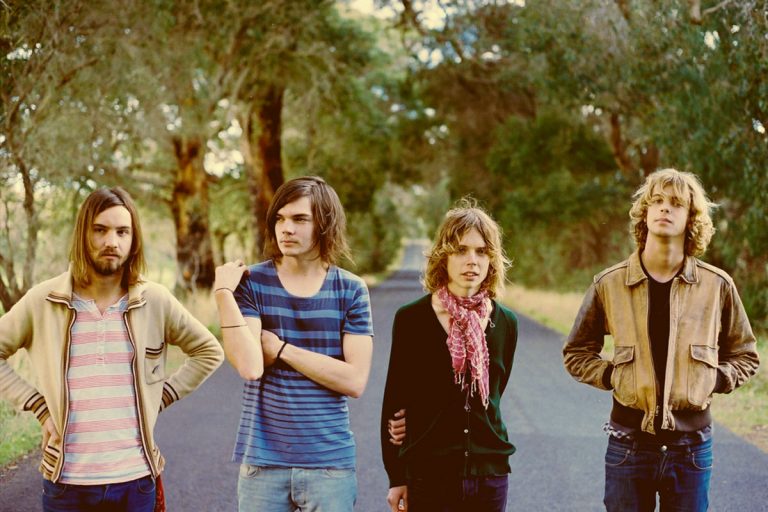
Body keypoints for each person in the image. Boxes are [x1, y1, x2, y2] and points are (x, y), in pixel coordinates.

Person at [0, 187, 225, 512]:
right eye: (100, 230)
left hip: (136, 483)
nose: (112, 241)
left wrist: (159, 397)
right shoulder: (45, 300)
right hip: (66, 484)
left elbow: (208, 351)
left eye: (122, 232)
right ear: (83, 234)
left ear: (134, 239)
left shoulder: (154, 300)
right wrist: (39, 408)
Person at [562, 168, 759, 511]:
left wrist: (713, 378)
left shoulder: (717, 286)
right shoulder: (610, 283)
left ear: (691, 218)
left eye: (676, 203)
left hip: (692, 448)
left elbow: (746, 355)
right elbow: (576, 351)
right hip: (628, 445)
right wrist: (612, 375)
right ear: (645, 212)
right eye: (657, 201)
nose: (665, 208)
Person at [214, 175, 374, 512]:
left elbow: (354, 381)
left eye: (300, 219)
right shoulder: (251, 283)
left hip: (329, 464)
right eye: (280, 219)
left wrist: (282, 350)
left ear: (325, 224)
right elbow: (250, 365)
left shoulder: (351, 290)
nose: (286, 229)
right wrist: (223, 293)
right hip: (263, 463)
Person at [380, 201, 518, 512]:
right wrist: (396, 476)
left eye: (481, 251)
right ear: (444, 256)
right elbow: (394, 402)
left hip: (490, 474)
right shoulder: (412, 319)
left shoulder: (506, 323)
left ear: (492, 259)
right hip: (429, 473)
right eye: (461, 250)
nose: (472, 260)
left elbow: (494, 395)